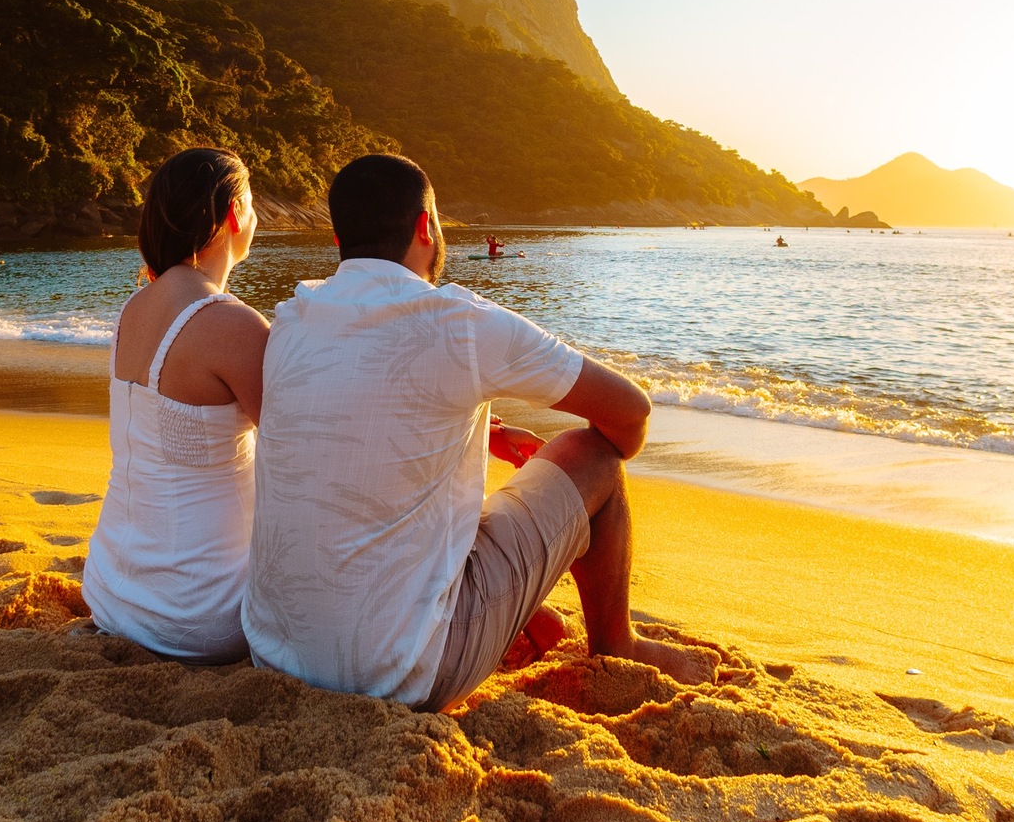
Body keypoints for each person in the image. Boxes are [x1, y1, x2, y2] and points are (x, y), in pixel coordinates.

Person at [242, 152, 718, 708]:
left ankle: (517, 611)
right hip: (402, 674)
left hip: (274, 656)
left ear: (337, 240)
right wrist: (593, 486)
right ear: (426, 226)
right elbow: (629, 413)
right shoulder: (457, 322)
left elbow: (366, 412)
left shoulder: (292, 318)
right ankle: (617, 644)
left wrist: (486, 426)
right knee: (593, 457)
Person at [83, 147, 270, 663]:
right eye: (252, 205)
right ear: (235, 213)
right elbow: (301, 451)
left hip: (111, 592)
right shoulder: (232, 325)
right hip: (198, 617)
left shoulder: (132, 309)